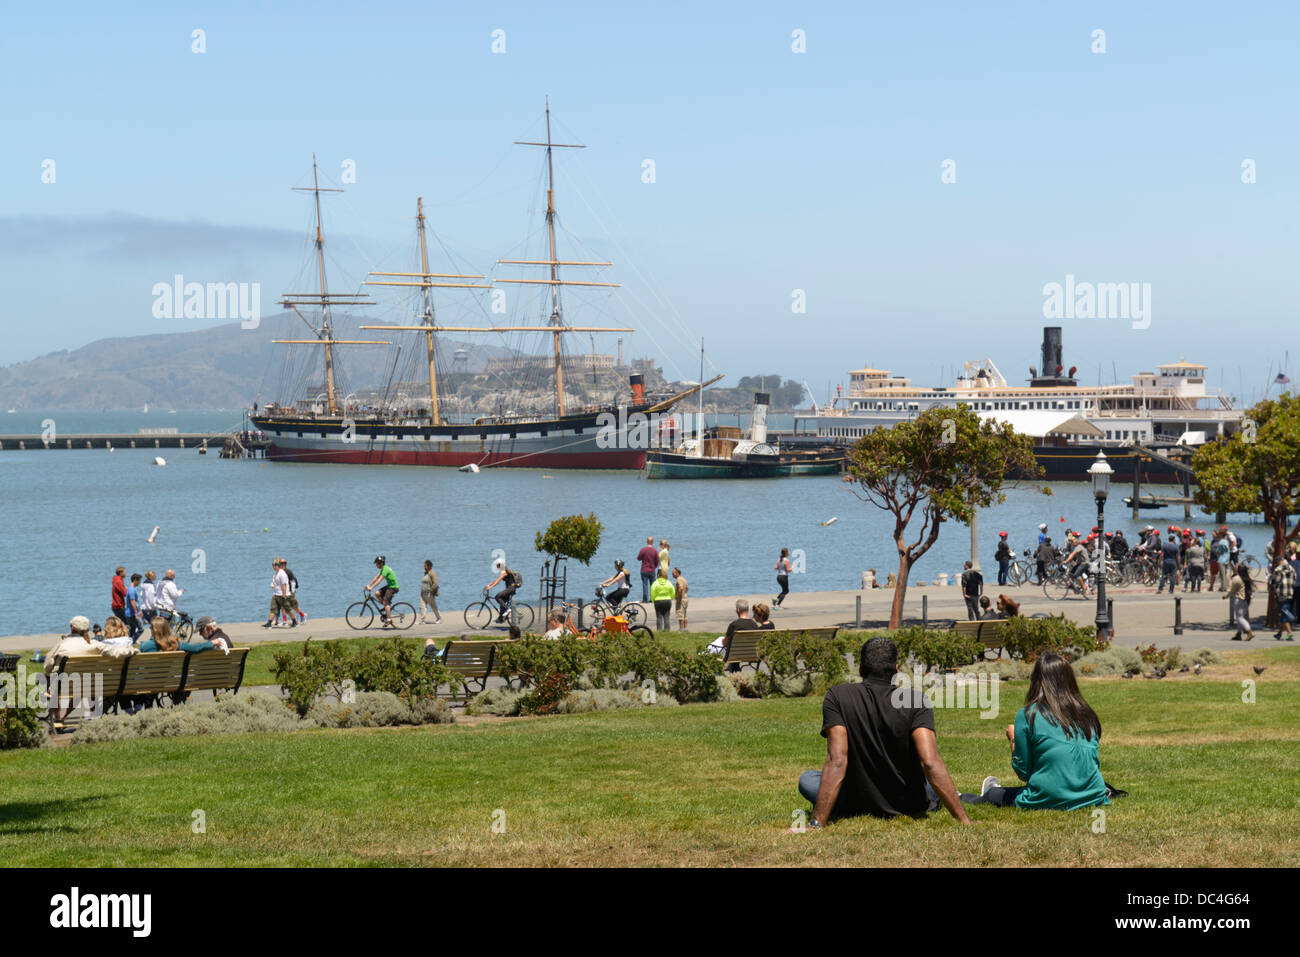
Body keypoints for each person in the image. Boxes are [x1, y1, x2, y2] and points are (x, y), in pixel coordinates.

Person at [794, 636, 969, 826]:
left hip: (856, 801)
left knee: (808, 779)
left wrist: (816, 822)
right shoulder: (916, 701)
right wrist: (964, 820)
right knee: (929, 784)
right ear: (896, 671)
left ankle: (838, 803)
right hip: (908, 803)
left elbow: (837, 760)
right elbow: (930, 762)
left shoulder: (837, 696)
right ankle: (953, 795)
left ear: (861, 669)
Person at [959, 652, 1109, 811]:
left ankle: (968, 795)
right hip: (1094, 795)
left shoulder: (1029, 715)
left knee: (993, 795)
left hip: (1049, 798)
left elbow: (1024, 772)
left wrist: (1013, 738)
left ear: (1036, 681)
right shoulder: (1087, 715)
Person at [43, 616, 135, 676]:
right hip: (88, 685)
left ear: (72, 628)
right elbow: (116, 652)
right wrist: (131, 650)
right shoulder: (94, 645)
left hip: (62, 685)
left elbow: (47, 667)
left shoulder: (61, 645)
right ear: (87, 629)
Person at [368, 556, 401, 626]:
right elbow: (376, 578)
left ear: (381, 563)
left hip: (393, 587)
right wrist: (368, 585)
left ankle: (389, 619)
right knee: (377, 593)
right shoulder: (383, 569)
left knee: (386, 602)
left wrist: (371, 588)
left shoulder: (385, 569)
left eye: (377, 564)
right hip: (389, 586)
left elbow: (379, 581)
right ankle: (386, 606)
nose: (376, 565)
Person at [1224, 565, 1256, 640]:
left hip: (1239, 599)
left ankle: (1250, 632)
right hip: (1247, 599)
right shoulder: (1248, 578)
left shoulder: (1237, 579)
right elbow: (1253, 589)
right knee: (1240, 617)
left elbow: (1232, 591)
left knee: (1240, 618)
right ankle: (1238, 634)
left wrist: (1226, 596)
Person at [1271, 556, 1296, 640]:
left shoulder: (1278, 570)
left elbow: (1274, 582)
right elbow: (1295, 579)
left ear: (1278, 562)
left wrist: (1271, 581)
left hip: (1281, 594)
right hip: (1290, 593)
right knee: (1283, 613)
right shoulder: (1291, 568)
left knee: (1284, 614)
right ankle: (1279, 633)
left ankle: (1290, 634)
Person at [265, 559, 292, 629]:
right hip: (276, 594)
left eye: (275, 566)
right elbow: (274, 582)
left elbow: (284, 585)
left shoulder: (282, 573)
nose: (274, 567)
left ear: (278, 566)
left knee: (287, 609)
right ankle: (269, 623)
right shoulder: (275, 574)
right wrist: (272, 585)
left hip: (282, 594)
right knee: (273, 609)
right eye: (273, 566)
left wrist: (284, 594)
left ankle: (294, 621)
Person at [282, 559, 306, 625]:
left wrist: (292, 591)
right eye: (281, 564)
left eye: (284, 564)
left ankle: (302, 615)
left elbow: (293, 582)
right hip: (284, 591)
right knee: (283, 606)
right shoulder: (280, 572)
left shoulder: (288, 572)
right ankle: (284, 621)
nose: (282, 565)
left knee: (293, 606)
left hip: (290, 591)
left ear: (286, 564)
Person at [636, 537, 659, 601]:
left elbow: (638, 558)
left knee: (645, 585)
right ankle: (653, 599)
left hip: (644, 569)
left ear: (647, 541)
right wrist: (654, 566)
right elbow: (657, 560)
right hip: (652, 570)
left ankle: (645, 600)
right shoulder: (655, 550)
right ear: (652, 542)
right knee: (653, 585)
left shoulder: (643, 549)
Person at [420, 559, 442, 625]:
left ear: (429, 566)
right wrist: (421, 592)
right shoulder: (425, 573)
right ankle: (423, 620)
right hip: (423, 593)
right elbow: (424, 583)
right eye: (424, 566)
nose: (424, 567)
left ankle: (439, 618)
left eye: (425, 566)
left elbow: (436, 584)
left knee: (433, 606)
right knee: (422, 606)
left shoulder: (433, 573)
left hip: (429, 593)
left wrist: (431, 591)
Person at [123, 574, 142, 640]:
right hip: (131, 613)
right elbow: (132, 601)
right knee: (141, 629)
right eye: (139, 581)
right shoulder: (131, 590)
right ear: (135, 580)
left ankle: (130, 641)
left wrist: (139, 611)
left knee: (132, 630)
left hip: (130, 613)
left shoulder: (130, 589)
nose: (139, 583)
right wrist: (136, 613)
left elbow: (136, 602)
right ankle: (132, 641)